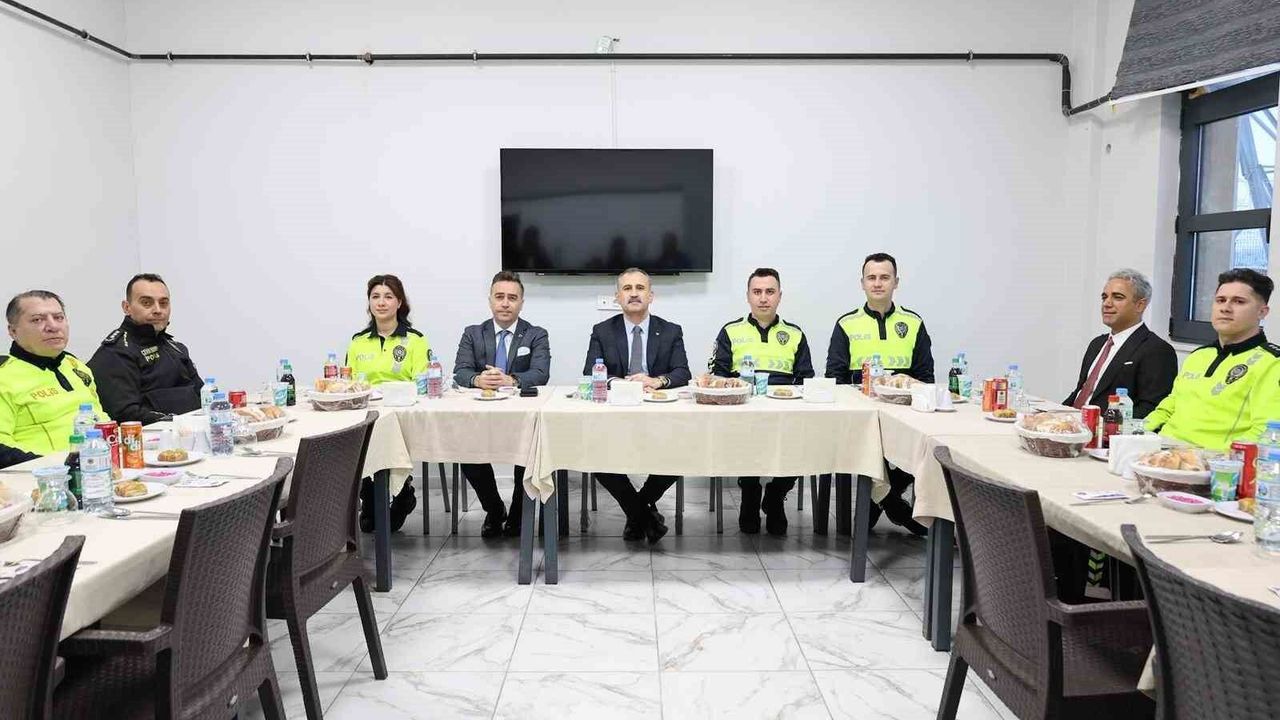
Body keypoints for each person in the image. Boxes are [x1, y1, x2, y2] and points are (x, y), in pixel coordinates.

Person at [584, 267, 692, 544]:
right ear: (617, 297)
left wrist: (657, 381)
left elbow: (682, 372)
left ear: (651, 296)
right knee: (595, 454)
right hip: (616, 416)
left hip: (660, 415)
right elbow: (591, 372)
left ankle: (636, 514)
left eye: (640, 288)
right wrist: (623, 384)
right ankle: (643, 516)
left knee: (683, 451)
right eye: (627, 288)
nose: (634, 294)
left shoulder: (670, 331)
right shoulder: (602, 331)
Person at [825, 253, 931, 535]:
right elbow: (834, 377)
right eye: (871, 278)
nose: (878, 283)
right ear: (862, 283)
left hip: (905, 413)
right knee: (867, 447)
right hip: (861, 413)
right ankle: (897, 508)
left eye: (884, 277)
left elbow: (926, 378)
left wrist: (906, 383)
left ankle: (884, 499)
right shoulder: (847, 324)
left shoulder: (913, 323)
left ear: (896, 282)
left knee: (927, 447)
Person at [709, 268, 814, 535]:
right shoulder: (731, 331)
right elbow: (717, 375)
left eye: (770, 292)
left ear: (780, 296)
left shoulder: (795, 334)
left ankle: (776, 494)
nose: (763, 298)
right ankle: (750, 492)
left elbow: (806, 379)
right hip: (742, 412)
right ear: (748, 296)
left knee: (808, 437)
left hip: (786, 412)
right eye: (757, 292)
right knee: (747, 436)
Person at [453, 271, 551, 537]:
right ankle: (495, 510)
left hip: (521, 417)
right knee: (467, 453)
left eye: (512, 298)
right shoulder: (473, 333)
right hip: (480, 414)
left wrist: (511, 379)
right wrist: (477, 379)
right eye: (499, 297)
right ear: (490, 301)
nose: (505, 303)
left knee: (528, 453)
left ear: (521, 303)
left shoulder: (536, 334)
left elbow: (541, 373)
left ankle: (518, 515)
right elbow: (460, 371)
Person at [1146, 268, 1280, 450]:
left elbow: (1266, 431)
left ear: (1262, 312)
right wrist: (1137, 433)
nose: (1225, 308)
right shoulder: (1199, 355)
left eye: (1239, 301)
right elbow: (1169, 406)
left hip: (1215, 460)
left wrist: (1221, 460)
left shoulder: (1272, 362)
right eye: (1220, 300)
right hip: (1161, 451)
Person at [346, 274, 430, 532]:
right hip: (368, 413)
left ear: (399, 302)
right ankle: (369, 494)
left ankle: (403, 492)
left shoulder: (415, 340)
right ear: (369, 303)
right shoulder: (358, 341)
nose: (381, 302)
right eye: (375, 297)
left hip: (401, 414)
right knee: (370, 525)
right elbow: (349, 384)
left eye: (388, 296)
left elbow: (422, 384)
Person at [0, 290, 108, 456]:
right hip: (43, 469)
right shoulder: (4, 377)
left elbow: (100, 418)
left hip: (101, 461)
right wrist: (45, 466)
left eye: (58, 318)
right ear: (13, 331)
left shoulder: (75, 365)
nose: (53, 327)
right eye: (37, 320)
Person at [88, 273, 204, 424]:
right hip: (150, 436)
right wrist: (179, 422)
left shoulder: (177, 348)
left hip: (191, 431)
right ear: (127, 307)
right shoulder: (115, 353)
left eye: (163, 303)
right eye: (147, 303)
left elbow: (203, 396)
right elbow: (125, 414)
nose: (158, 310)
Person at [1064, 269, 1176, 418]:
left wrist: (1104, 426)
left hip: (1107, 429)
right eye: (1104, 297)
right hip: (1072, 423)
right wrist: (1053, 414)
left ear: (1140, 305)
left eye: (1117, 297)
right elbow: (1081, 391)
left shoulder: (1157, 350)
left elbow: (1151, 409)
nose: (1107, 303)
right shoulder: (1097, 344)